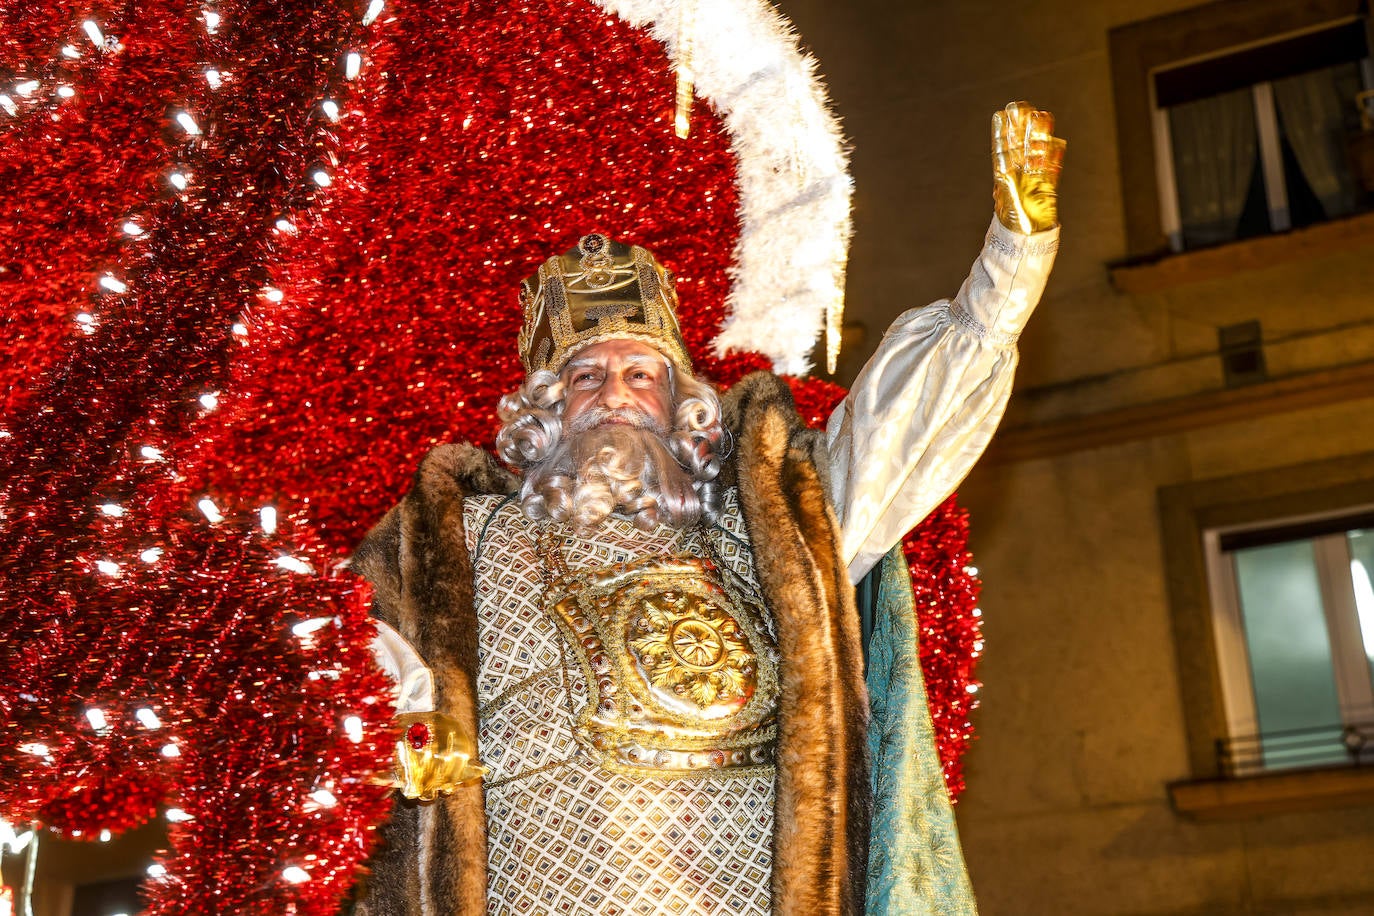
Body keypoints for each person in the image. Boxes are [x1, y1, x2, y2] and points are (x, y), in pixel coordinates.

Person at [351, 102, 1064, 916]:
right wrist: (409, 724)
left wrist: (1011, 261)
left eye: (641, 375)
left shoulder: (763, 523)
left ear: (681, 404)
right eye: (586, 378)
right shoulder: (462, 536)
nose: (614, 395)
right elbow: (363, 651)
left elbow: (899, 427)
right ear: (546, 409)